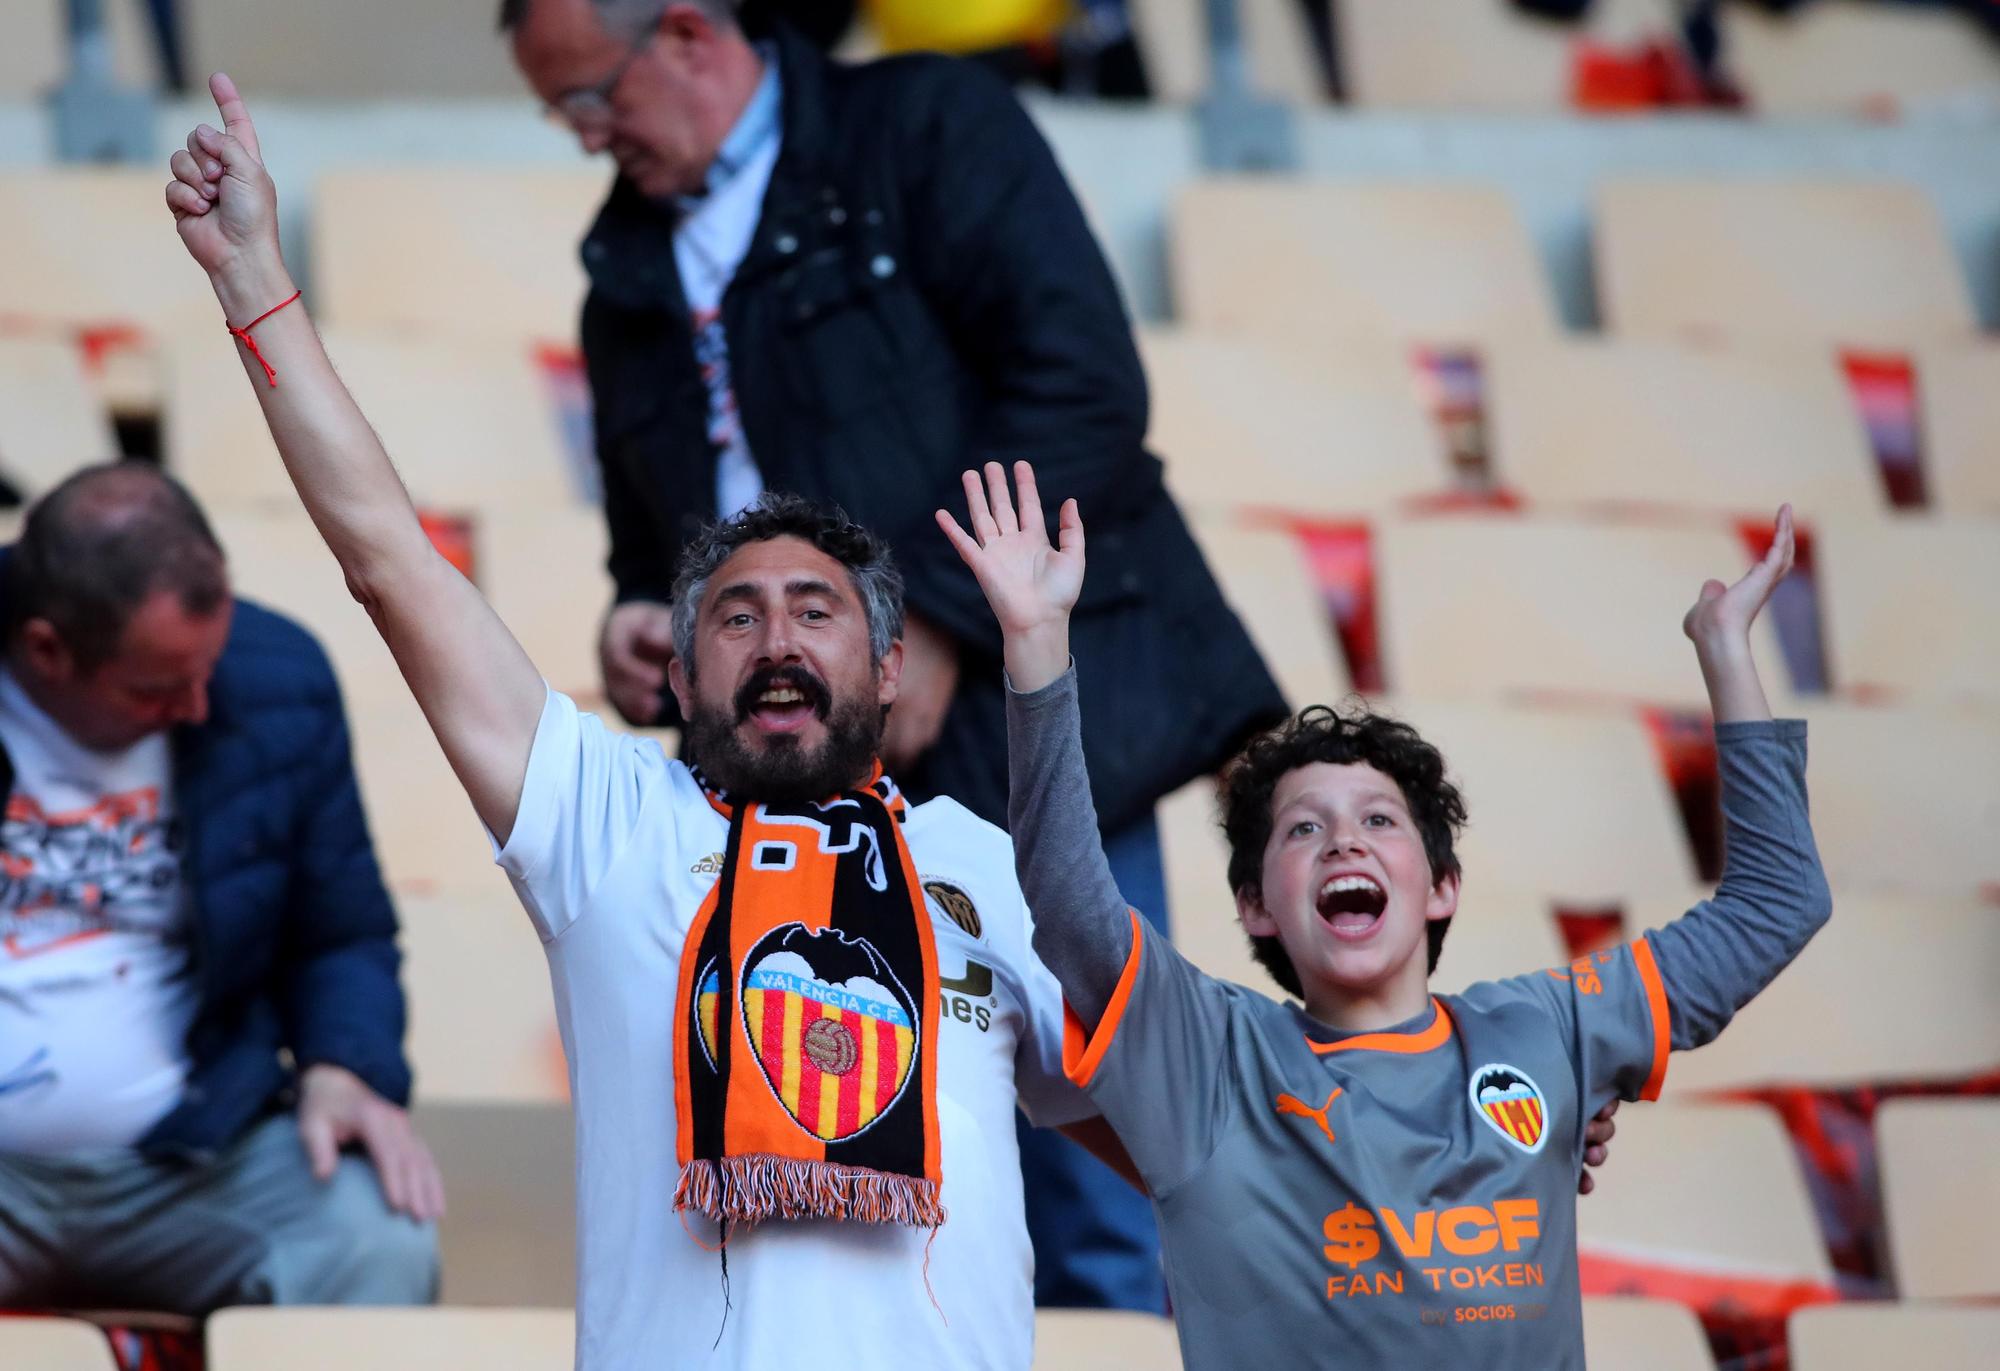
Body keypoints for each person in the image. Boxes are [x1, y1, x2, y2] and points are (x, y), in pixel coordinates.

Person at [162, 77, 1148, 1369]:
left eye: (816, 610)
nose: (780, 638)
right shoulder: (605, 822)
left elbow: (1176, 1133)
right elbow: (392, 560)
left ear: (896, 666)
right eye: (735, 617)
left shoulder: (988, 863)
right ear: (677, 678)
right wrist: (252, 285)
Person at [503, 0, 1287, 1309]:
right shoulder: (623, 271)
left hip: (1036, 745)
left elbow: (1085, 389)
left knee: (1109, 1181)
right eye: (564, 114)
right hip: (795, 795)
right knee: (833, 1200)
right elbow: (650, 542)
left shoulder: (925, 123)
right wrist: (642, 614)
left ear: (687, 35)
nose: (589, 139)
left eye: (592, 98)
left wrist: (931, 616)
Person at [939, 460, 1834, 1367]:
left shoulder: (1550, 1030)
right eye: (1302, 830)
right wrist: (1037, 644)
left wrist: (1725, 648)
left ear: (1441, 884)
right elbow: (1064, 893)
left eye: (1378, 819)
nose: (1344, 843)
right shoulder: (1204, 1056)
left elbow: (1778, 900)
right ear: (1254, 905)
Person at [0, 462, 440, 1315]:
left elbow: (339, 933)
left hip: (199, 1154)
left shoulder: (276, 679)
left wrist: (344, 1062)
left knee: (375, 1239)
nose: (202, 705)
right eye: (158, 687)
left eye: (210, 666)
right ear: (47, 649)